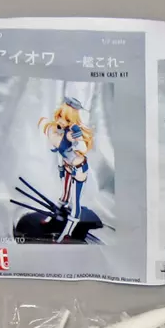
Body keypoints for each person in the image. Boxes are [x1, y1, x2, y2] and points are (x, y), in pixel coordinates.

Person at [38, 97, 94, 242]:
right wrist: (61, 168)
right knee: (64, 196)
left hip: (79, 170)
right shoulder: (59, 131)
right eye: (60, 117)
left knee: (75, 203)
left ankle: (66, 234)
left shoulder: (72, 133)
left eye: (67, 119)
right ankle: (52, 217)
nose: (62, 121)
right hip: (68, 167)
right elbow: (61, 152)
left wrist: (78, 138)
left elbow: (83, 149)